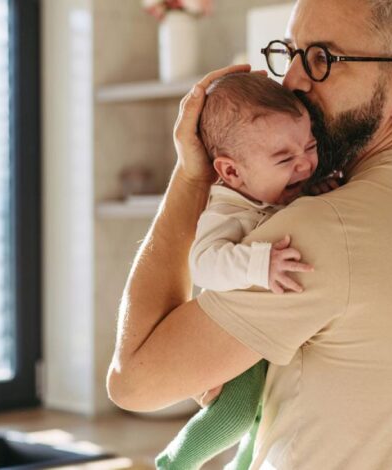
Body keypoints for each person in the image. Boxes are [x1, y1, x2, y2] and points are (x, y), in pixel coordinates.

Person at [108, 0, 392, 468]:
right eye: (291, 52)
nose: (291, 80)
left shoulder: (321, 230)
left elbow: (133, 380)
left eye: (322, 59)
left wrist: (191, 177)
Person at [156, 73, 317, 470]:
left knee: (265, 415)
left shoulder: (275, 193)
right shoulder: (227, 209)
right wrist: (260, 263)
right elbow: (205, 265)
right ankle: (174, 463)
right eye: (284, 159)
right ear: (231, 173)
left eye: (311, 146)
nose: (305, 163)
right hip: (231, 332)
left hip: (263, 334)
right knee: (237, 415)